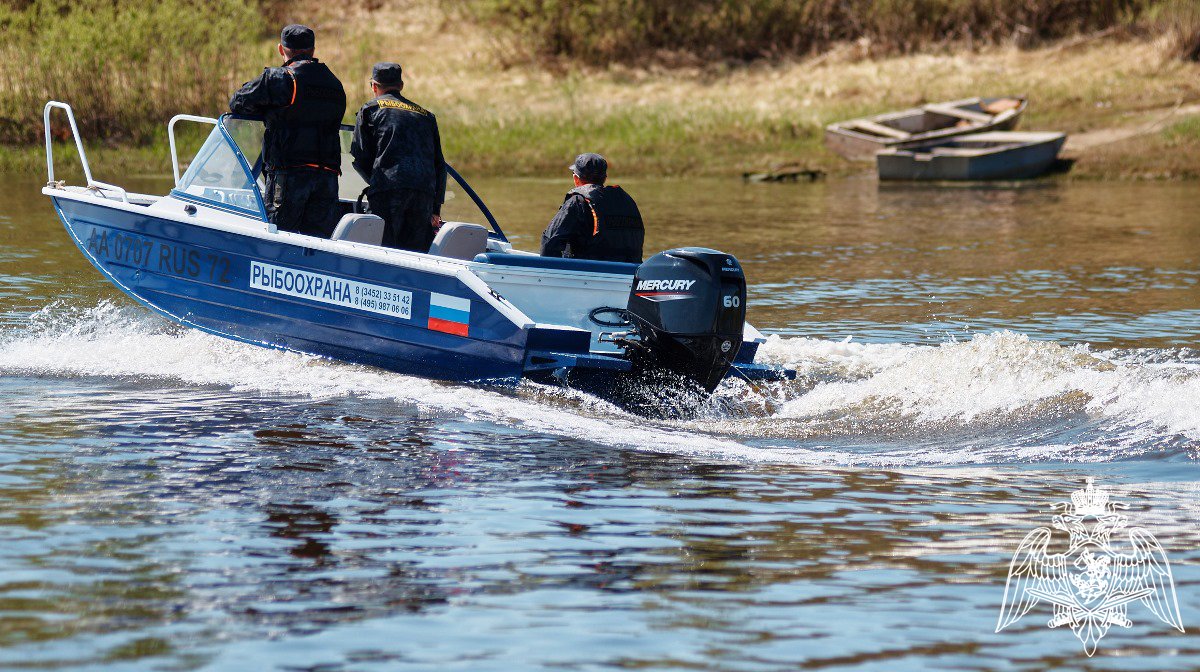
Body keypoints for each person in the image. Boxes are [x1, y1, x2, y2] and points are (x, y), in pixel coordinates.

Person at [229, 24, 346, 238]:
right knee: (318, 245)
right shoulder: (335, 84)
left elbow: (238, 101)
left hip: (290, 174)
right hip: (327, 178)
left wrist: (267, 109)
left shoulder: (281, 78)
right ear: (313, 50)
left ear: (281, 50)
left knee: (279, 239)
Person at [351, 62, 447, 252]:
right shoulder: (426, 116)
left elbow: (360, 156)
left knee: (382, 251)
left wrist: (378, 181)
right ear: (401, 86)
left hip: (388, 190)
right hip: (424, 194)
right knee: (415, 255)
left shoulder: (370, 110)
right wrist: (435, 207)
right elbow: (439, 165)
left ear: (374, 86)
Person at [540, 153, 644, 263]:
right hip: (631, 273)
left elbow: (549, 242)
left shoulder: (577, 202)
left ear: (576, 178)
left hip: (592, 273)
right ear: (604, 178)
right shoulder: (627, 201)